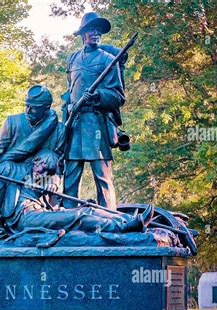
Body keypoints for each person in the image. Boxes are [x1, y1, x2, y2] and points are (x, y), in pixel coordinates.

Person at [0, 85, 65, 222]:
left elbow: (59, 164)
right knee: (2, 170)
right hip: (12, 171)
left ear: (46, 109)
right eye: (26, 105)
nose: (28, 110)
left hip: (38, 180)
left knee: (4, 169)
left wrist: (53, 181)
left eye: (33, 108)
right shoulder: (12, 122)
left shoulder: (59, 130)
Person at [0, 149, 154, 234]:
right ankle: (122, 227)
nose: (42, 173)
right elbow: (34, 185)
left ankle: (131, 220)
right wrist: (50, 186)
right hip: (26, 218)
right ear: (35, 162)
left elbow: (52, 200)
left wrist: (52, 188)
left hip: (40, 214)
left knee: (89, 209)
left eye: (47, 172)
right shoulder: (22, 175)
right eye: (41, 169)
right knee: (80, 216)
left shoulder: (43, 178)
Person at [62, 12, 125, 210]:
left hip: (96, 124)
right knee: (70, 175)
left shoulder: (108, 60)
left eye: (98, 31)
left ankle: (109, 217)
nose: (95, 34)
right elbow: (70, 90)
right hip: (75, 123)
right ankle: (68, 216)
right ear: (83, 34)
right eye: (91, 30)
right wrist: (68, 106)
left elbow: (118, 96)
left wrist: (98, 96)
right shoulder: (72, 59)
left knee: (102, 176)